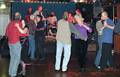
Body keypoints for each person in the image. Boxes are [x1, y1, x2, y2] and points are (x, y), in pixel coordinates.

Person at [5, 12, 28, 77]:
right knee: (17, 59)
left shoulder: (10, 23)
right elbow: (23, 34)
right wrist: (23, 26)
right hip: (16, 43)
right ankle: (13, 74)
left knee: (12, 58)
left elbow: (6, 34)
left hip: (10, 43)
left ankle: (10, 72)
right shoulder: (19, 23)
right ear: (20, 17)